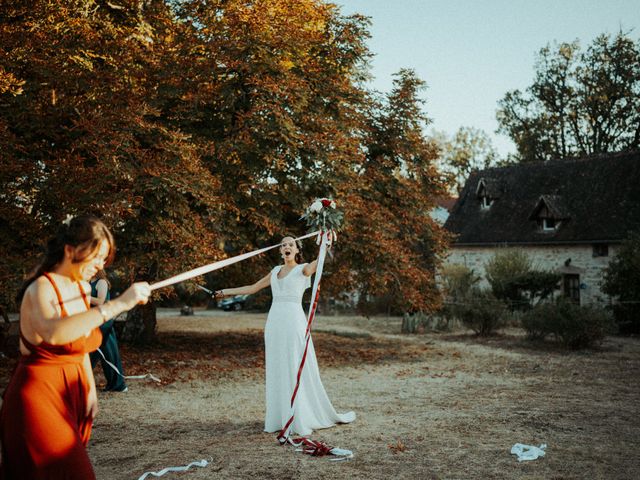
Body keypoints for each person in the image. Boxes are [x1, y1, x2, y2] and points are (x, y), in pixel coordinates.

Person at [0, 215, 150, 479]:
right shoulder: (41, 287)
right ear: (70, 251)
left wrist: (89, 390)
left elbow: (80, 344)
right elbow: (55, 333)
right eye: (96, 256)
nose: (101, 264)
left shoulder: (81, 288)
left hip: (72, 394)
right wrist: (118, 305)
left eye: (105, 258)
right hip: (38, 399)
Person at [215, 236, 355, 436]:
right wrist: (224, 292)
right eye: (283, 245)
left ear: (297, 250)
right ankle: (280, 417)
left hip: (294, 323)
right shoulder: (274, 272)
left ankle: (299, 415)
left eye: (291, 244)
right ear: (280, 251)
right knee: (278, 366)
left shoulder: (303, 269)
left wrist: (326, 243)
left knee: (293, 363)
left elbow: (321, 261)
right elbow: (252, 288)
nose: (287, 247)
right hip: (274, 324)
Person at [89, 269, 127, 392]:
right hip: (92, 321)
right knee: (90, 353)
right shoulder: (88, 281)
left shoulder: (102, 282)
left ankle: (118, 385)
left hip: (103, 322)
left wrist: (83, 296)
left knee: (109, 354)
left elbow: (100, 301)